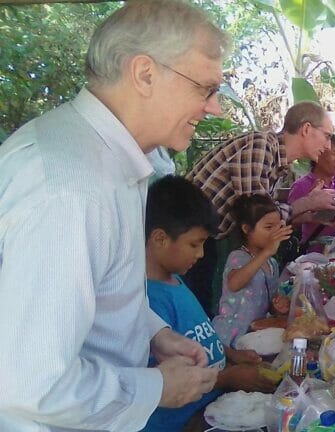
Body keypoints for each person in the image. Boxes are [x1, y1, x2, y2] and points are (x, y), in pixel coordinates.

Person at [0, 1, 223, 430]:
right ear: (144, 74)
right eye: (204, 88)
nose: (213, 108)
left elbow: (100, 292)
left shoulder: (113, 164)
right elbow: (31, 386)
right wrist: (155, 388)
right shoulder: (69, 187)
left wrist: (154, 333)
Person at [143, 176, 277, 431]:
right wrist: (229, 378)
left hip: (217, 405)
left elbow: (198, 337)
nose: (201, 254)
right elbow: (166, 380)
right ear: (160, 238)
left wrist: (232, 354)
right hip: (184, 421)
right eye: (195, 244)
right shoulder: (149, 301)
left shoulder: (177, 281)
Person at [185, 101, 335, 315]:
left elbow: (267, 217)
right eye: (326, 136)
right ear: (306, 129)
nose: (328, 146)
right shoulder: (261, 147)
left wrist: (310, 214)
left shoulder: (275, 160)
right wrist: (308, 203)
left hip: (204, 238)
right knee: (196, 309)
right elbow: (257, 216)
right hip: (186, 237)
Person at [212, 194, 293, 348]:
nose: (275, 232)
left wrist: (278, 306)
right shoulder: (238, 257)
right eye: (268, 227)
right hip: (230, 335)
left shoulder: (271, 263)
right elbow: (234, 284)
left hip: (255, 335)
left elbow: (269, 299)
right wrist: (266, 252)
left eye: (278, 226)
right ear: (246, 229)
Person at [288, 134, 335, 252]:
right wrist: (313, 217)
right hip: (314, 254)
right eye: (333, 154)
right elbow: (289, 220)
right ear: (318, 156)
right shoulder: (301, 186)